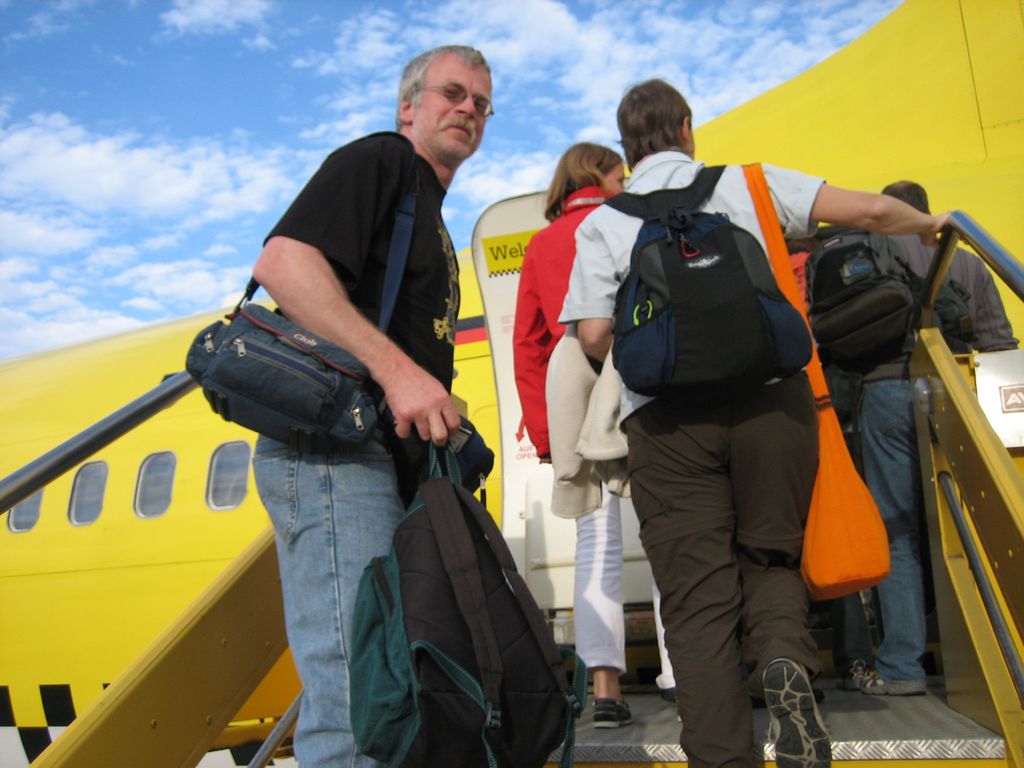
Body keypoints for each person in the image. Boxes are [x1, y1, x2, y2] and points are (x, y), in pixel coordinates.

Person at [559, 78, 950, 768]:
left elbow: (592, 334)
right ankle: (783, 659)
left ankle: (722, 755)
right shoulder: (748, 182)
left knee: (696, 599)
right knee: (771, 556)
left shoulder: (602, 223)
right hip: (773, 403)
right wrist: (928, 223)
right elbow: (867, 209)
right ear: (686, 127)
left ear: (626, 145)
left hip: (668, 427)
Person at [249, 45, 492, 767]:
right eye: (453, 93)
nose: (469, 110)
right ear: (408, 105)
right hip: (335, 457)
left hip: (383, 467)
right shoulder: (382, 161)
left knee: (391, 699)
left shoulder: (430, 212)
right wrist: (396, 371)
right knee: (357, 707)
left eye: (482, 104)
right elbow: (283, 264)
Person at [513, 142, 676, 728]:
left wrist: (545, 431)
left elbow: (529, 343)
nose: (625, 183)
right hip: (641, 380)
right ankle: (682, 672)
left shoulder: (542, 244)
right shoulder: (633, 222)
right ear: (600, 176)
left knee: (596, 538)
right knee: (669, 529)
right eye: (619, 174)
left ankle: (604, 689)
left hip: (578, 392)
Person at [854, 180, 1017, 696]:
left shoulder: (869, 257)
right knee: (973, 522)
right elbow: (999, 343)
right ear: (928, 212)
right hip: (956, 388)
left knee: (898, 532)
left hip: (886, 391)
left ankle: (902, 666)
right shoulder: (965, 261)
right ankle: (994, 650)